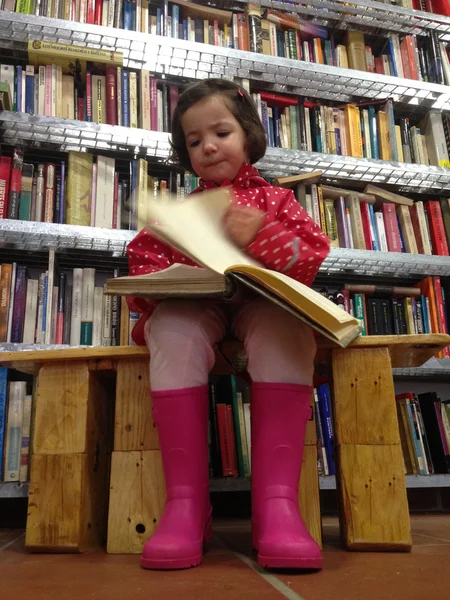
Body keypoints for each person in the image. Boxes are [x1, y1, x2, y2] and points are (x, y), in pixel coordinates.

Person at [126, 79, 330, 571]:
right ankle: (185, 507)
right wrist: (163, 278)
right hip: (200, 309)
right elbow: (141, 266)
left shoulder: (277, 201)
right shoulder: (180, 212)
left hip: (264, 306)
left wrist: (263, 231)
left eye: (221, 132)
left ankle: (276, 507)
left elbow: (309, 259)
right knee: (172, 328)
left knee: (287, 327)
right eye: (194, 142)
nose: (208, 146)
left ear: (248, 135)